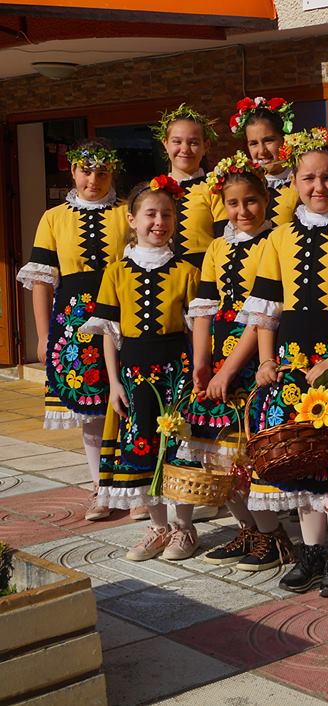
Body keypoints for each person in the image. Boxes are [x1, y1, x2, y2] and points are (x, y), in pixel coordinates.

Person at [240, 127, 328, 597]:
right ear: (294, 181)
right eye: (308, 178)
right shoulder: (278, 237)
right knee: (298, 458)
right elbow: (266, 307)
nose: (319, 186)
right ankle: (311, 551)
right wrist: (265, 360)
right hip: (290, 363)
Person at [175, 152, 295, 571]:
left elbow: (263, 313)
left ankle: (273, 535)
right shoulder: (217, 246)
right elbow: (204, 309)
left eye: (251, 201)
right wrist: (202, 364)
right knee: (213, 449)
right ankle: (248, 528)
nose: (242, 211)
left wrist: (228, 369)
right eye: (233, 203)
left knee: (245, 449)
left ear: (267, 199)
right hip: (217, 354)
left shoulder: (276, 241)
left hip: (255, 349)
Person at [80, 176, 201, 561]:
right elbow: (109, 333)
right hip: (134, 375)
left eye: (167, 214)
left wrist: (198, 373)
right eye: (150, 214)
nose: (159, 222)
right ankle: (158, 526)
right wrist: (114, 383)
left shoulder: (186, 271)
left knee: (178, 449)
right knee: (142, 447)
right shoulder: (115, 272)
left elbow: (197, 329)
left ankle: (184, 528)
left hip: (176, 373)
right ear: (132, 219)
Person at [17, 139, 127, 521]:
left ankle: (136, 486)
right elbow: (42, 281)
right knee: (90, 407)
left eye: (102, 172)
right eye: (86, 171)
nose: (93, 180)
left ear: (112, 172)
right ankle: (101, 487)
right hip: (74, 325)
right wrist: (43, 336)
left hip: (125, 318)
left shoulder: (128, 213)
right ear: (73, 170)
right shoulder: (53, 218)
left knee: (132, 400)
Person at [153, 103, 228, 268]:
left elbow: (225, 242)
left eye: (193, 142)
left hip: (205, 273)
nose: (185, 149)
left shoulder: (215, 188)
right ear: (165, 144)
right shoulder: (154, 191)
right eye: (177, 141)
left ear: (205, 146)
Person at [231, 96, 300, 226]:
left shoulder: (300, 182)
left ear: (284, 139)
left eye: (268, 140)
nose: (262, 151)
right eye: (253, 143)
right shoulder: (245, 185)